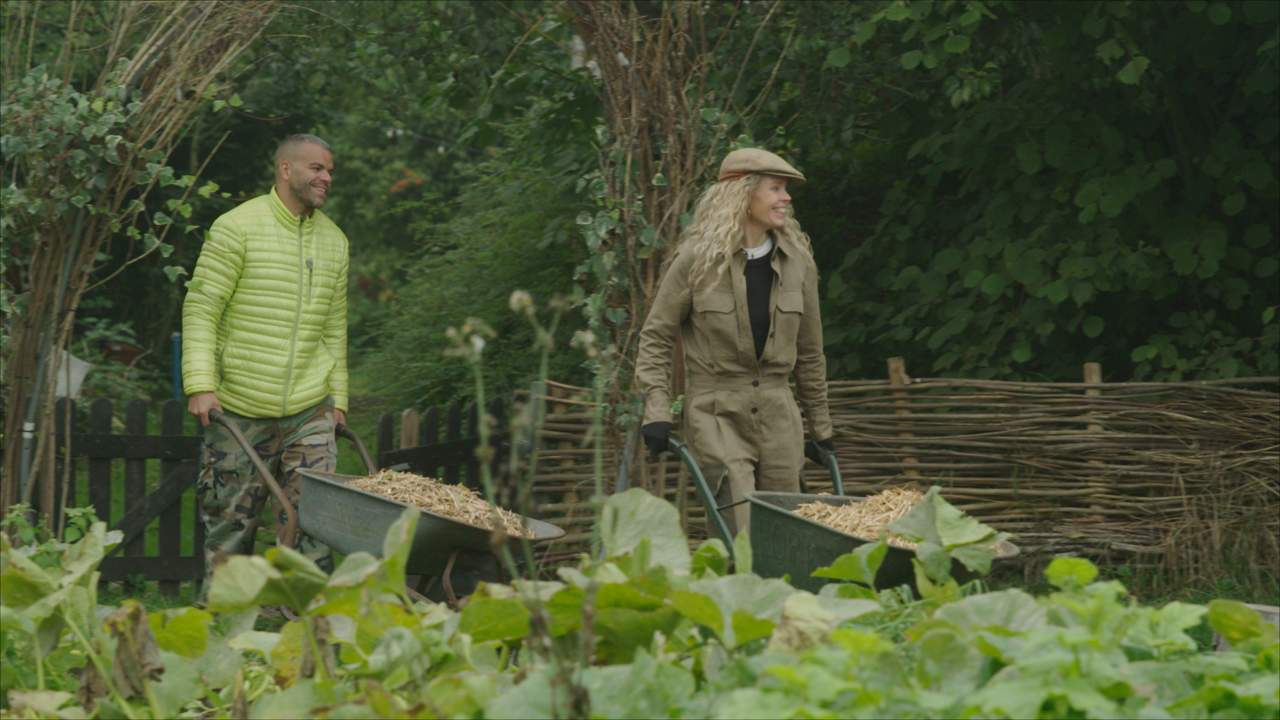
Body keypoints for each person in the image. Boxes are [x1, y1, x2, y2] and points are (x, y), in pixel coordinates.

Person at [634, 147, 834, 535]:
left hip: (779, 415)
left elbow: (810, 352)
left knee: (787, 533)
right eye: (775, 189)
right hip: (716, 412)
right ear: (743, 194)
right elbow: (656, 336)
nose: (786, 198)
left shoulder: (799, 263)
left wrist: (821, 429)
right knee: (739, 528)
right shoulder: (697, 261)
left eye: (786, 190)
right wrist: (657, 411)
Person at [182, 133, 349, 586]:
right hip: (238, 405)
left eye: (330, 170)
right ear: (286, 170)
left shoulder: (335, 242)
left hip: (309, 408)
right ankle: (220, 626)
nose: (326, 177)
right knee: (230, 524)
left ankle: (305, 628)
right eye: (317, 168)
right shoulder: (236, 227)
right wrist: (200, 382)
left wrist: (339, 399)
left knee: (314, 523)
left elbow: (335, 328)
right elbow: (202, 307)